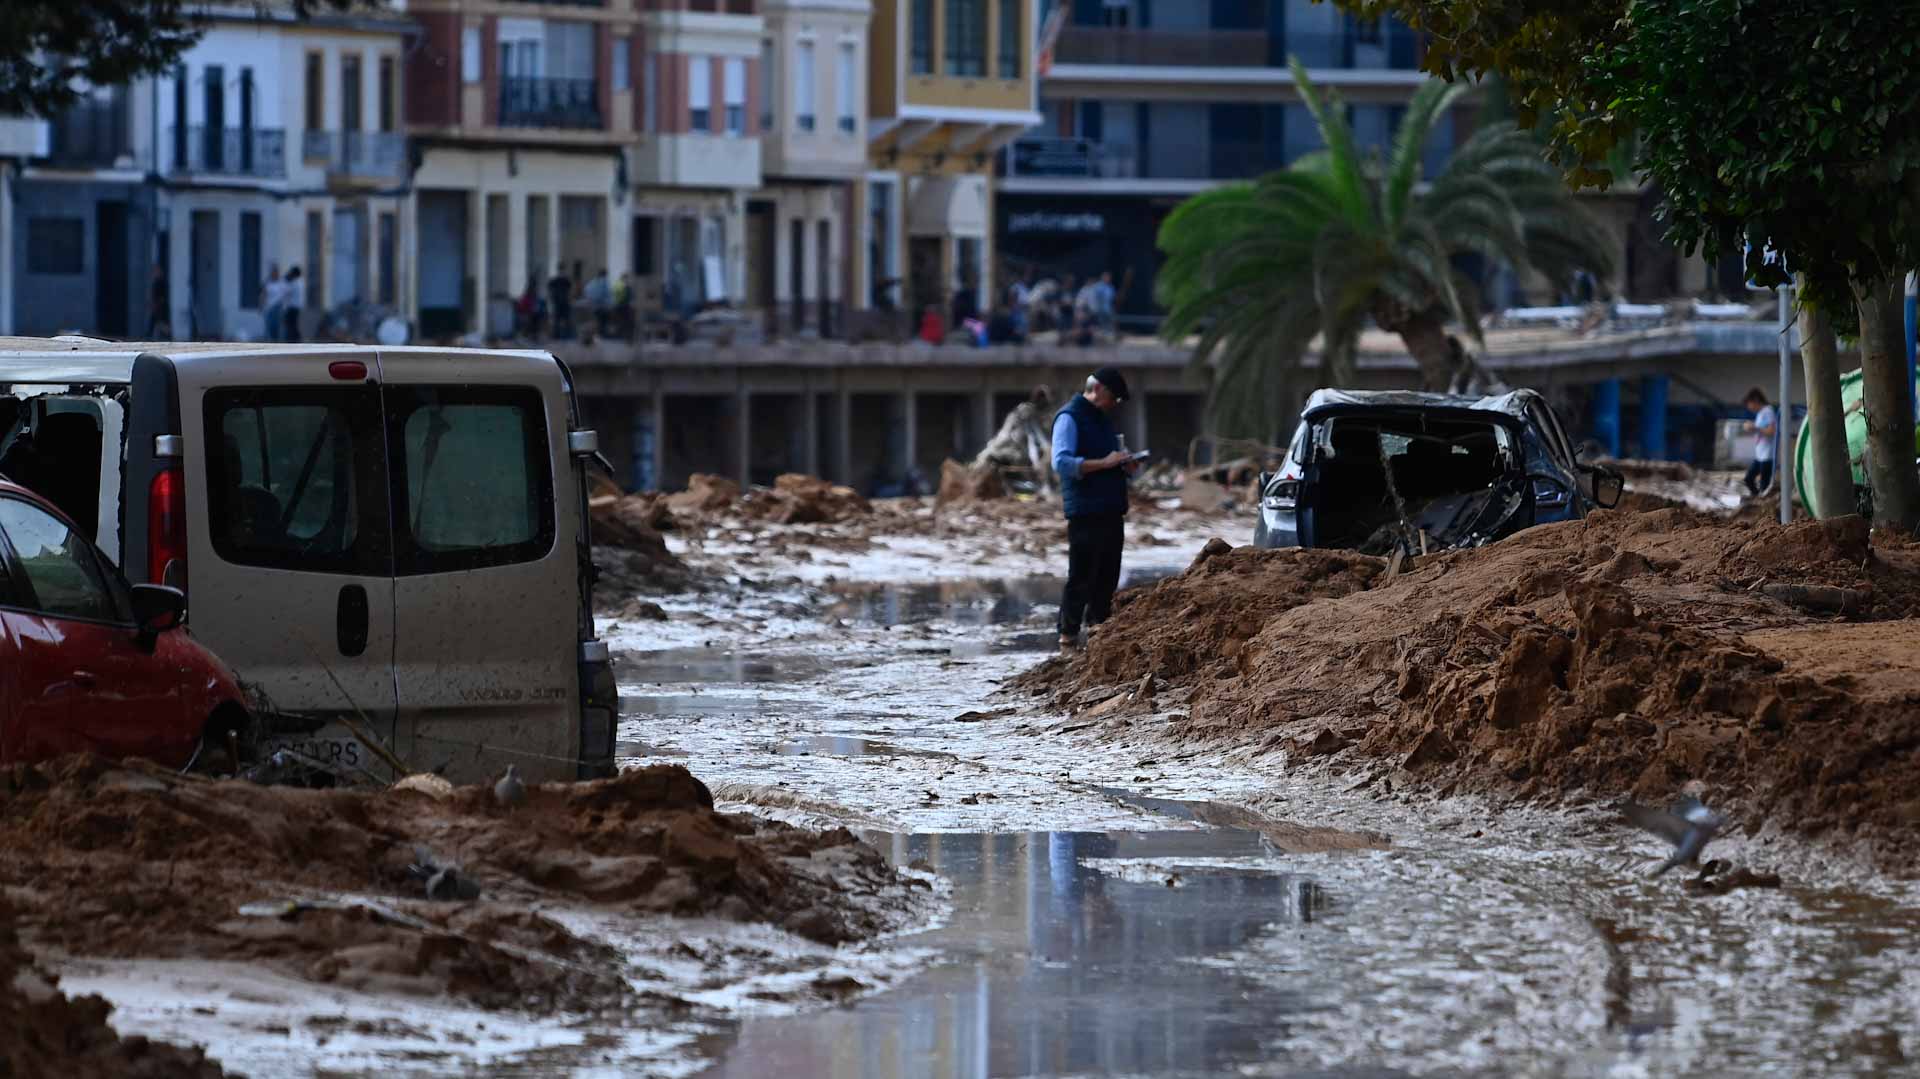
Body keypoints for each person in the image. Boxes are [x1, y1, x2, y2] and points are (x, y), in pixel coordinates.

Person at [1052, 367, 1141, 651]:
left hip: (1112, 508)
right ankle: (1068, 634)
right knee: (1081, 575)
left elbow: (1110, 459)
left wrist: (1125, 465)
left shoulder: (1103, 420)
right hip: (1085, 510)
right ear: (1099, 389)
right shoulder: (1069, 418)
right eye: (1113, 398)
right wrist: (1104, 463)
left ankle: (1098, 629)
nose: (1114, 405)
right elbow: (1062, 462)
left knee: (1107, 573)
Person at [1742, 387, 1777, 496]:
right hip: (1760, 455)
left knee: (1764, 485)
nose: (1749, 407)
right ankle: (1758, 500)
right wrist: (1752, 428)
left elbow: (1771, 431)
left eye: (1749, 403)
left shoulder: (1767, 411)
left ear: (1756, 400)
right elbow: (1761, 430)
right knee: (1748, 479)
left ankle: (1763, 504)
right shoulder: (1760, 413)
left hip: (1767, 455)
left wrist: (1755, 428)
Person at [548, 266, 574, 340]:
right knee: (564, 319)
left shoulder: (556, 280)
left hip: (558, 302)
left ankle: (557, 335)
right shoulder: (565, 280)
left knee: (559, 319)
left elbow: (550, 287)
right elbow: (569, 289)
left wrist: (552, 297)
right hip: (563, 302)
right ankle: (565, 335)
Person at [584, 268, 612, 337]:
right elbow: (607, 293)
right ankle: (601, 334)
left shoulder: (593, 282)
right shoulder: (604, 282)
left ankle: (598, 334)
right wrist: (609, 303)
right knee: (603, 322)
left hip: (595, 306)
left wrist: (591, 301)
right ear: (605, 274)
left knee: (598, 320)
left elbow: (587, 290)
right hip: (602, 306)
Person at [146, 268, 170, 339]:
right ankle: (149, 335)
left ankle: (167, 334)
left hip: (159, 306)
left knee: (159, 321)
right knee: (156, 321)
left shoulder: (161, 282)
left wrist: (157, 304)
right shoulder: (156, 282)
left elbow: (162, 296)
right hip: (157, 305)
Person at [281, 267, 304, 342]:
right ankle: (296, 339)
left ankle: (294, 339)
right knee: (294, 324)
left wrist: (285, 280)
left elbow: (286, 292)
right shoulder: (301, 282)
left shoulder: (295, 283)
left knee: (291, 325)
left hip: (292, 307)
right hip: (297, 307)